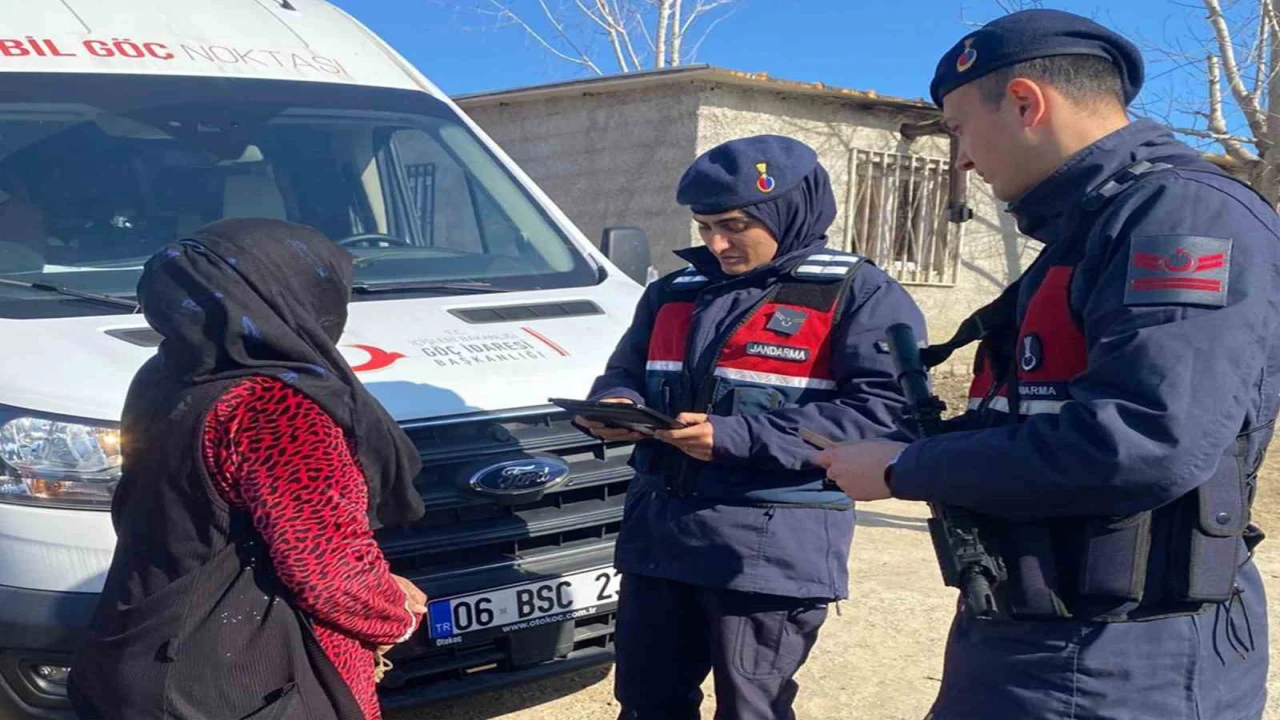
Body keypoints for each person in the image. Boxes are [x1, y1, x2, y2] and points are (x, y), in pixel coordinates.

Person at [817, 9, 1278, 719]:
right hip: (1044, 636)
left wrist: (905, 468)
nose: (962, 159)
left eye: (960, 128)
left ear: (1026, 103)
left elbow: (1146, 441)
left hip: (1122, 659)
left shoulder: (1180, 218)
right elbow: (1039, 415)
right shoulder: (1095, 227)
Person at [576, 134, 927, 719]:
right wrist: (614, 405)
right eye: (705, 226)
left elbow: (887, 415)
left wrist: (733, 437)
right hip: (659, 539)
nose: (716, 244)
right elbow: (626, 373)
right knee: (645, 704)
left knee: (751, 710)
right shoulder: (672, 293)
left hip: (768, 553)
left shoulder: (856, 293)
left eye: (734, 226)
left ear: (786, 213)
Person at [69, 218, 428, 720]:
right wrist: (395, 614)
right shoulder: (275, 406)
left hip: (144, 644)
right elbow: (328, 572)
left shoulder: (167, 375)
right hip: (242, 678)